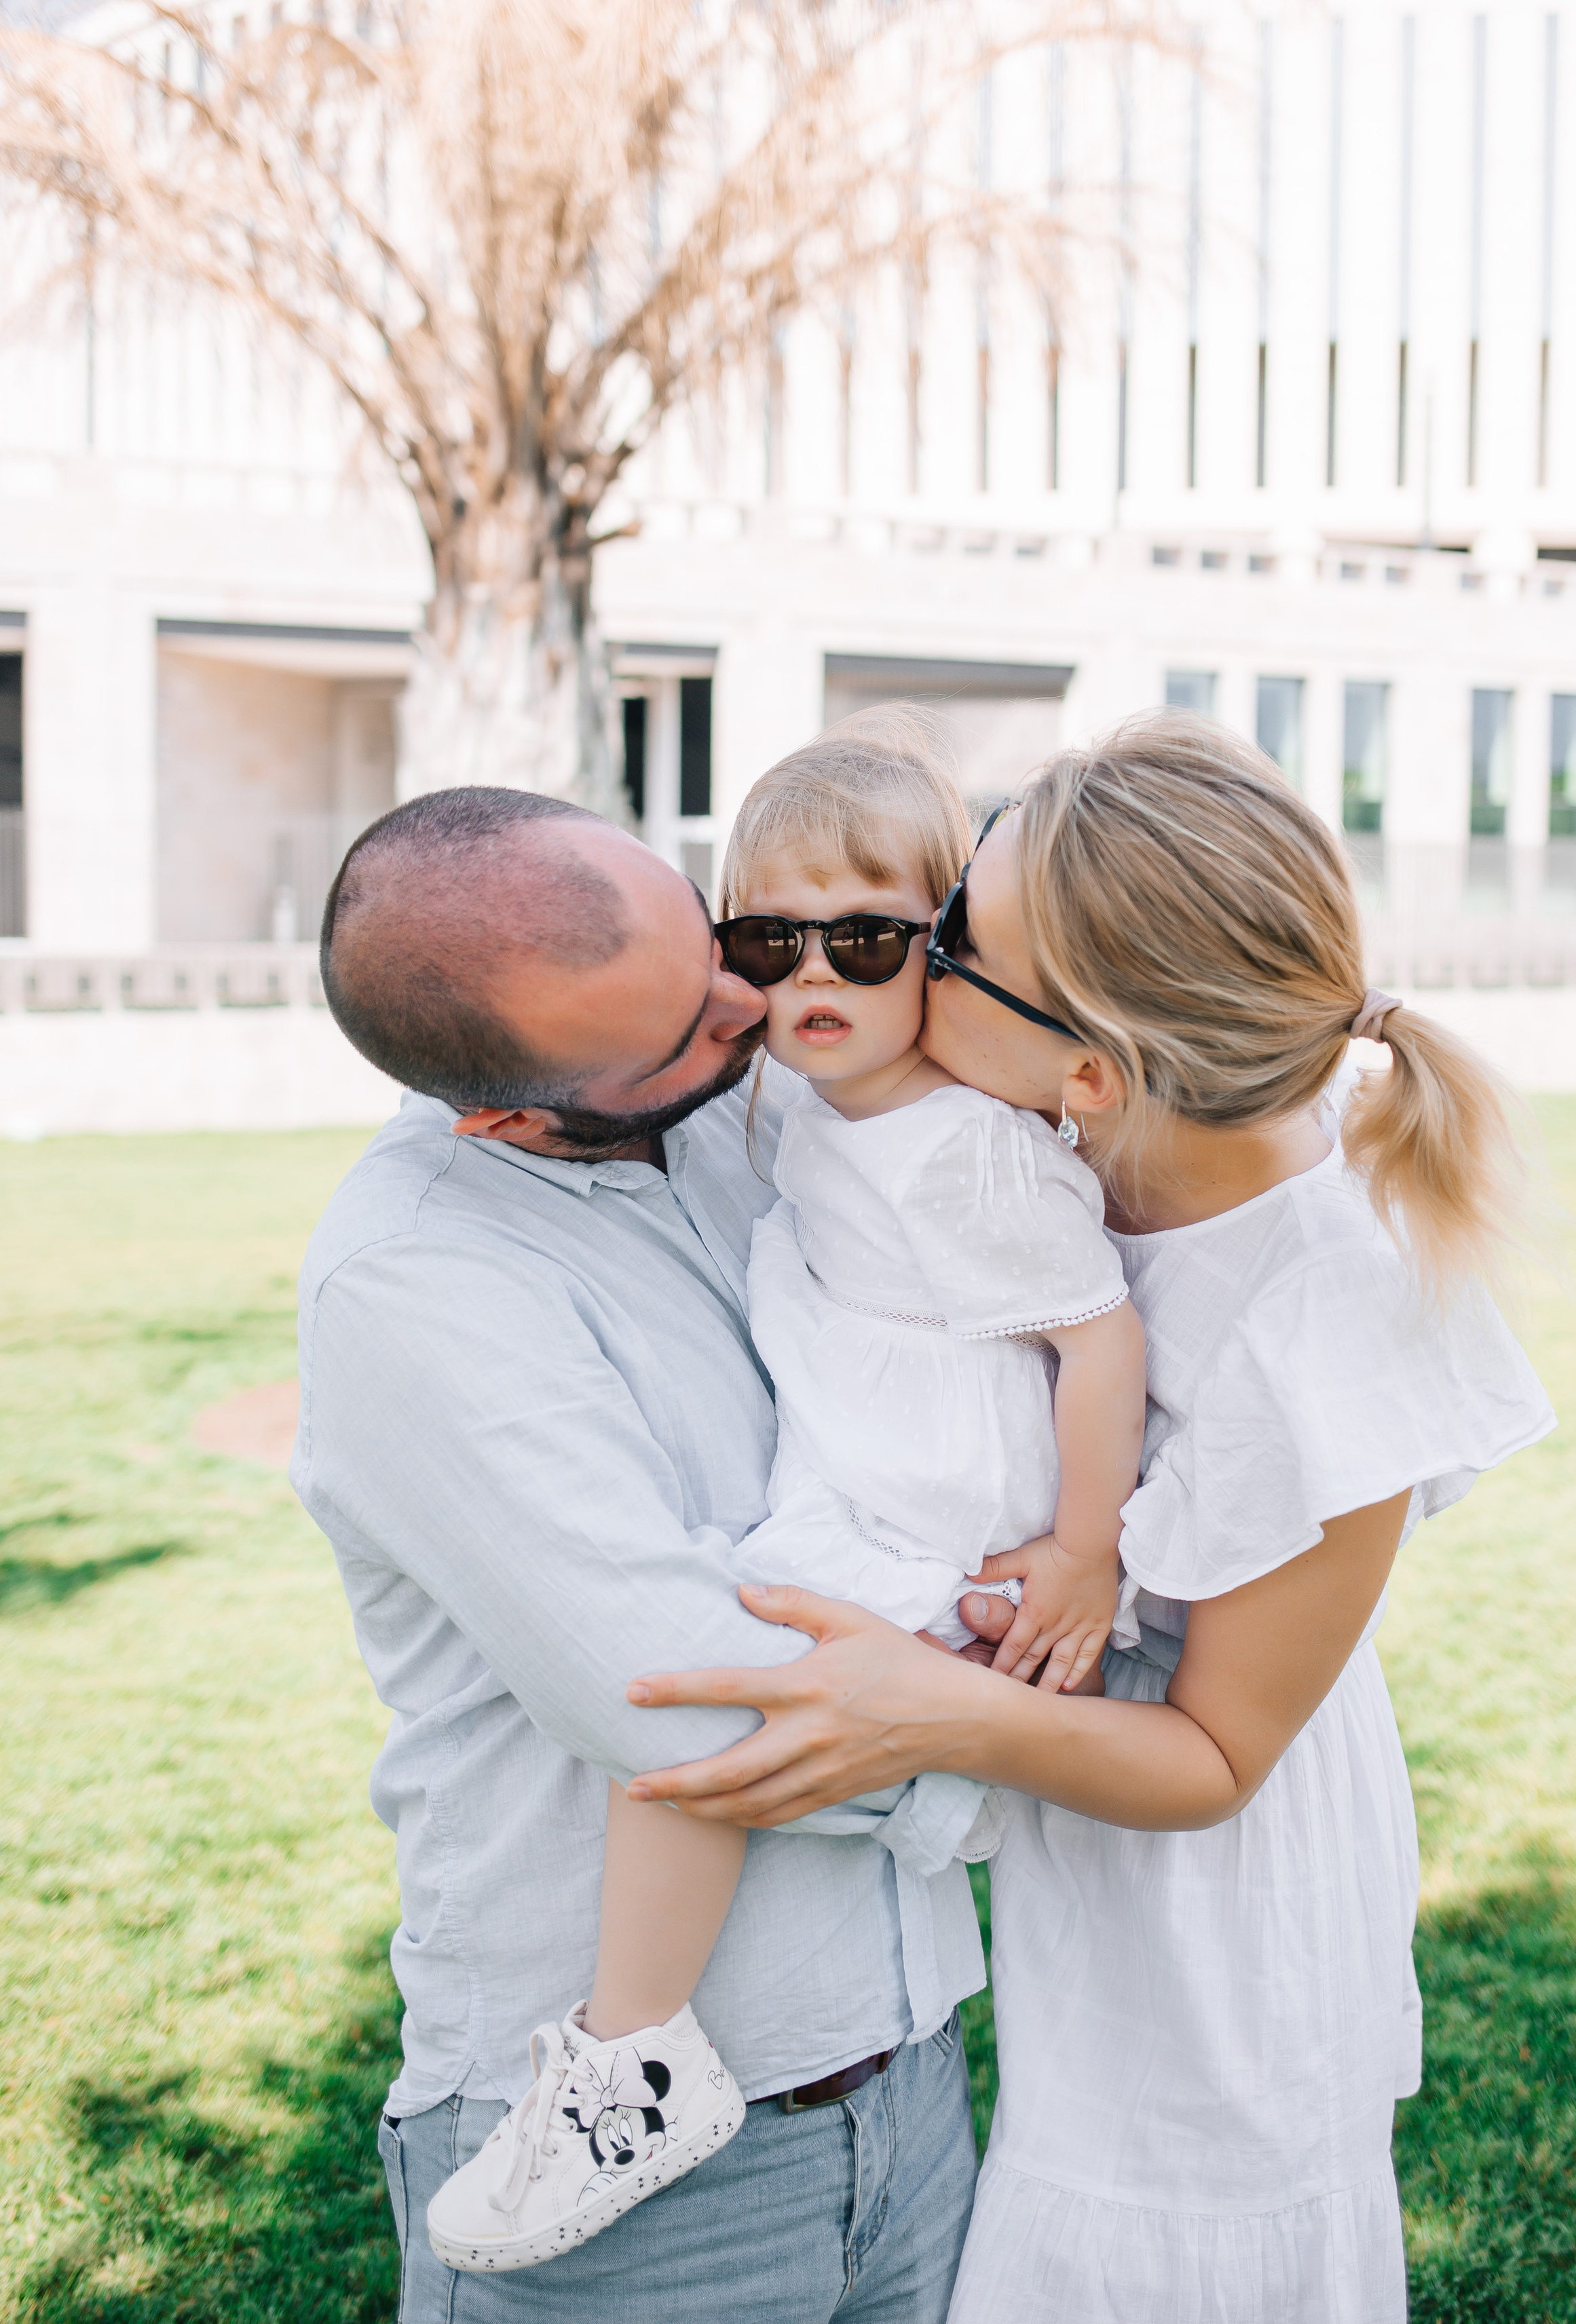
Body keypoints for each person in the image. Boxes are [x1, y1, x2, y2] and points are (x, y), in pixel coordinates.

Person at [617, 711, 1558, 2324]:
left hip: (1219, 1933)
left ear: (1092, 1067)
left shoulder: (1324, 1313)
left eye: (947, 941)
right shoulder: (1076, 1150)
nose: (902, 962)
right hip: (1084, 1838)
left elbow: (1216, 1757)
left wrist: (935, 1711)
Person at [426, 715, 1148, 2274]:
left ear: (944, 947)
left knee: (695, 1728)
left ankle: (627, 2062)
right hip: (852, 1482)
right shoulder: (796, 1104)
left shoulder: (965, 1153)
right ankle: (645, 2042)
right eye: (766, 941)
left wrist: (1083, 1551)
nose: (811, 978)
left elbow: (1099, 1342)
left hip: (928, 1507)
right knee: (690, 1714)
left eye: (866, 943)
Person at [297, 784, 983, 2324]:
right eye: (684, 1032)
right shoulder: (416, 1278)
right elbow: (688, 1706)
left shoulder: (745, 1115)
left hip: (914, 2069)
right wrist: (1061, 1753)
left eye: (717, 943)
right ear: (506, 1118)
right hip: (637, 2196)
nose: (752, 1007)